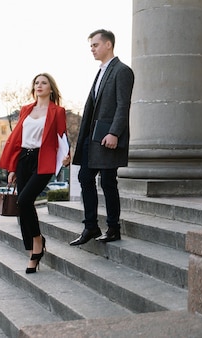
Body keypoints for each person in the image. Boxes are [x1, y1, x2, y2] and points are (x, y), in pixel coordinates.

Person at [0, 73, 69, 273]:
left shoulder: (57, 111)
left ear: (51, 88)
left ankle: (37, 241)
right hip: (24, 160)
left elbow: (62, 138)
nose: (39, 85)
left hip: (43, 160)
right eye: (36, 83)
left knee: (24, 200)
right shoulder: (26, 110)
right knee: (23, 205)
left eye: (43, 83)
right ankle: (31, 251)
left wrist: (67, 157)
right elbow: (17, 140)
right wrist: (13, 168)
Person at [70, 29, 134, 246]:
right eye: (91, 46)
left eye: (95, 45)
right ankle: (91, 226)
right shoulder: (100, 72)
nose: (92, 49)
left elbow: (123, 105)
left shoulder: (122, 70)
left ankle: (113, 228)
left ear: (108, 45)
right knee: (85, 178)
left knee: (108, 182)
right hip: (92, 137)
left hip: (108, 136)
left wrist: (114, 132)